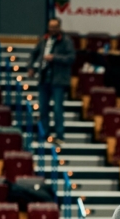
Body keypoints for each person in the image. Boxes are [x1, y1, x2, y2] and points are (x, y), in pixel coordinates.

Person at [27, 18, 75, 146]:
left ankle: (60, 136)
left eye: (54, 27)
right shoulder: (44, 39)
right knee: (43, 108)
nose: (52, 29)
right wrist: (31, 67)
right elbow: (34, 53)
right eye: (50, 27)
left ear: (59, 27)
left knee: (57, 109)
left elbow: (71, 57)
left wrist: (55, 58)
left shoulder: (66, 41)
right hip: (44, 78)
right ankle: (44, 135)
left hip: (58, 80)